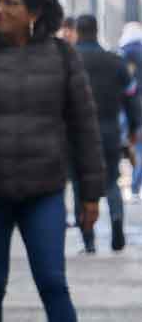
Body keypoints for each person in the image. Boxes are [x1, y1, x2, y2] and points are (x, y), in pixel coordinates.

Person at [0, 0, 103, 321]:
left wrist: (91, 193)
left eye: (11, 3)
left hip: (44, 191)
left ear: (33, 12)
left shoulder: (61, 55)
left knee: (53, 282)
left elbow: (84, 126)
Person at [71, 14, 139, 252]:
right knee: (111, 181)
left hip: (77, 135)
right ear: (97, 30)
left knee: (81, 184)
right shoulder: (115, 61)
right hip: (109, 131)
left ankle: (88, 240)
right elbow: (132, 97)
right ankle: (117, 223)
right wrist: (133, 127)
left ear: (78, 31)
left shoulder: (70, 60)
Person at [121, 22, 142, 200]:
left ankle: (135, 185)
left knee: (137, 147)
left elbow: (127, 84)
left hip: (133, 104)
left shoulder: (126, 52)